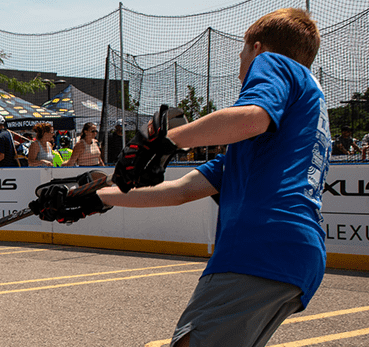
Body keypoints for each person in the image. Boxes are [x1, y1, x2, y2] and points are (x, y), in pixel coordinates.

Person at [32, 9, 327, 346]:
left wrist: (165, 141)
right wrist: (94, 197)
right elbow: (179, 191)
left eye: (243, 53)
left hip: (258, 248)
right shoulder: (286, 132)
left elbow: (252, 117)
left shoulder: (275, 62)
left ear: (257, 48)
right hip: (297, 257)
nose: (242, 62)